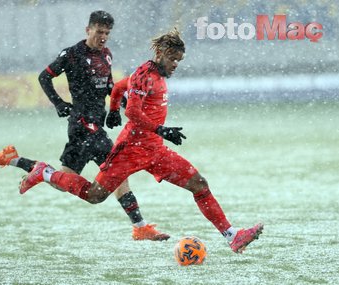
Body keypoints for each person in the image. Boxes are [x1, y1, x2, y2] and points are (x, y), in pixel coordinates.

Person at [16, 28, 263, 253]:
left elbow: (119, 87)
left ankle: (232, 236)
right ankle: (43, 172)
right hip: (130, 150)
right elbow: (132, 112)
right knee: (94, 195)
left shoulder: (150, 74)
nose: (176, 64)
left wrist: (112, 109)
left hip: (155, 151)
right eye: (172, 59)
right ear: (160, 53)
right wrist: (160, 129)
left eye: (179, 60)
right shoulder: (146, 75)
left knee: (199, 183)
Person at [0, 10, 169, 242]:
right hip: (83, 124)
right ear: (88, 29)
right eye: (99, 31)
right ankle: (140, 227)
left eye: (107, 33)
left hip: (92, 126)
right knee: (118, 171)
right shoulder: (73, 54)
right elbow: (44, 76)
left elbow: (110, 86)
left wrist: (118, 107)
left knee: (64, 179)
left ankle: (17, 160)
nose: (103, 37)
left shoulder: (107, 55)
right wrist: (59, 103)